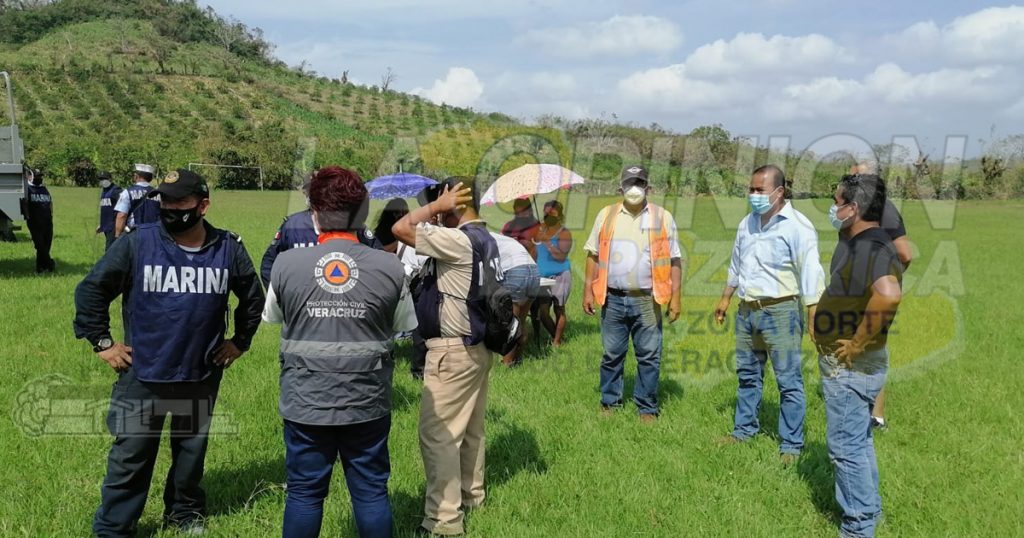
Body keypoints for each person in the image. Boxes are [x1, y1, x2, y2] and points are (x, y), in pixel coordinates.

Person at [73, 169, 264, 537]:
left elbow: (252, 299)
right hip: (143, 372)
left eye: (180, 202)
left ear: (203, 206)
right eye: (164, 200)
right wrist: (102, 342)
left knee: (190, 456)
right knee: (130, 458)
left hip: (200, 372)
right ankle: (114, 528)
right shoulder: (138, 242)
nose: (169, 207)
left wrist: (239, 341)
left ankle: (184, 514)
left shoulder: (228, 247)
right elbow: (91, 290)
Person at [263, 166, 415, 538]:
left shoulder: (285, 264)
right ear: (362, 213)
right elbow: (403, 324)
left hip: (305, 401)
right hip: (367, 400)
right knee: (370, 493)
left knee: (304, 494)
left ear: (314, 213)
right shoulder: (390, 266)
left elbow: (274, 316)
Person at [392, 177, 499, 536]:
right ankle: (472, 497)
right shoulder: (487, 238)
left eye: (441, 199)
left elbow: (401, 227)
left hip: (452, 352)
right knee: (471, 431)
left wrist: (436, 208)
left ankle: (444, 521)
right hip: (478, 348)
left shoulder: (457, 240)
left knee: (438, 435)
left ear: (454, 201)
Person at [713, 165, 825, 464]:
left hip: (781, 311)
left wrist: (813, 316)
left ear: (779, 191)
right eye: (751, 189)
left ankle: (791, 445)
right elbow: (737, 265)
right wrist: (726, 298)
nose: (753, 195)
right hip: (747, 310)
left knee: (788, 381)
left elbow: (812, 273)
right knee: (748, 376)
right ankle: (743, 431)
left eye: (759, 190)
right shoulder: (746, 224)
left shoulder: (797, 226)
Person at [812, 173, 903, 538]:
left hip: (850, 365)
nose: (833, 208)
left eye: (837, 202)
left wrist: (857, 342)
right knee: (859, 440)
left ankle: (857, 527)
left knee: (844, 448)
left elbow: (889, 294)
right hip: (850, 363)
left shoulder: (871, 247)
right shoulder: (860, 240)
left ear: (854, 208)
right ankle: (870, 511)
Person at [582, 165, 682, 422]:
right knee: (611, 354)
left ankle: (646, 407)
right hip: (612, 297)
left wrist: (676, 299)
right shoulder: (607, 215)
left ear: (648, 188)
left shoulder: (663, 217)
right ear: (620, 188)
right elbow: (592, 254)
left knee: (649, 355)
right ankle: (609, 402)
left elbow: (674, 260)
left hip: (648, 299)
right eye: (630, 184)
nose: (634, 189)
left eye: (639, 183)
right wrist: (587, 291)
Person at [850, 162, 912, 429]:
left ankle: (875, 416)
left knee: (873, 349)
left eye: (857, 177)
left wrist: (884, 274)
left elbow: (905, 253)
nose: (851, 181)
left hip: (874, 292)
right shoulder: (859, 209)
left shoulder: (884, 210)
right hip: (860, 290)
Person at [260, 179, 380, 289]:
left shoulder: (351, 224)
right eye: (308, 191)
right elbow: (268, 264)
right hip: (300, 297)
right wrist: (279, 297)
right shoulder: (292, 225)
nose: (310, 195)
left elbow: (378, 256)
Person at [374, 197, 428, 379]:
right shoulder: (410, 232)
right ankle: (419, 369)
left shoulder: (379, 232)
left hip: (386, 281)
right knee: (418, 325)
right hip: (412, 281)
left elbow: (377, 252)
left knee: (385, 323)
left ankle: (383, 358)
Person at [490, 230, 540, 366]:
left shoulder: (477, 240)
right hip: (533, 271)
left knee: (510, 324)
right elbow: (530, 245)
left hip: (515, 272)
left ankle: (507, 363)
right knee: (521, 321)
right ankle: (517, 359)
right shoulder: (499, 238)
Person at [533, 200, 573, 346]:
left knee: (559, 309)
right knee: (543, 312)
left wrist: (548, 242)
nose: (548, 214)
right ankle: (556, 338)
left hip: (561, 275)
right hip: (542, 277)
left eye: (552, 212)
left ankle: (556, 342)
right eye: (546, 211)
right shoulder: (538, 230)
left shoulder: (564, 232)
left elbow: (561, 256)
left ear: (559, 214)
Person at [113, 163, 160, 238]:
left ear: (136, 176)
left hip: (135, 234)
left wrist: (117, 235)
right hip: (154, 234)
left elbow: (122, 215)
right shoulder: (158, 193)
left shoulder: (127, 192)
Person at [24, 166, 55, 273]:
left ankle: (41, 268)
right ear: (30, 177)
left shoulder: (44, 188)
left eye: (40, 176)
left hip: (47, 222)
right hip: (35, 223)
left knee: (47, 245)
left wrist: (51, 215)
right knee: (40, 246)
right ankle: (50, 264)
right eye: (36, 176)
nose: (39, 178)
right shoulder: (27, 189)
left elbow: (50, 203)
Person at [95, 171, 123, 251]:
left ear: (110, 179)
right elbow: (106, 209)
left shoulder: (116, 191)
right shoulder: (104, 191)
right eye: (100, 179)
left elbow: (124, 206)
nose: (102, 181)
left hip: (114, 225)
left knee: (110, 250)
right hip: (107, 226)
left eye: (104, 179)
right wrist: (102, 225)